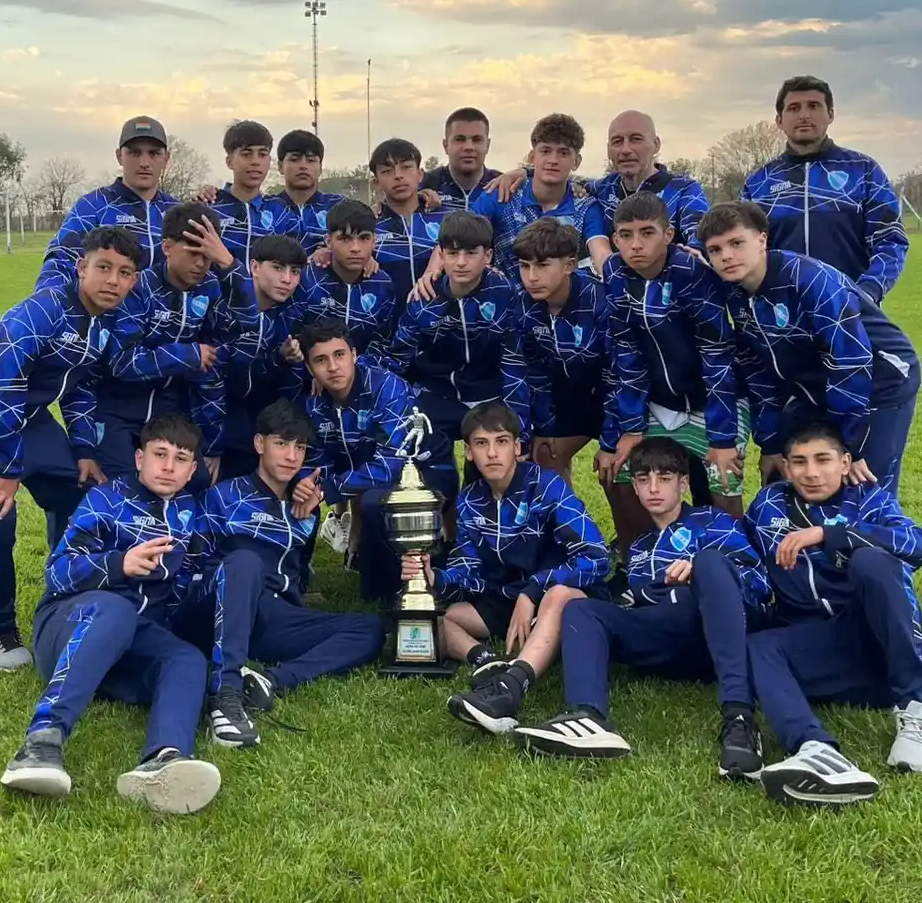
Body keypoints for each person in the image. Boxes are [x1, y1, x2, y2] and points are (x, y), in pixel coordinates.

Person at [0, 226, 142, 671]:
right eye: (103, 267)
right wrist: (9, 469)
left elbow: (79, 386)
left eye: (124, 273)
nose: (112, 280)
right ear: (81, 267)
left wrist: (84, 448)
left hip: (25, 412)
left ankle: (64, 594)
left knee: (75, 492)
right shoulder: (42, 309)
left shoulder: (106, 323)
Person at [0, 415, 220, 814]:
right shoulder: (106, 498)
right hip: (69, 626)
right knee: (116, 609)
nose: (168, 467)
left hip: (133, 640)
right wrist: (119, 564)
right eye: (160, 455)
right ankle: (40, 744)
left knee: (187, 658)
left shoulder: (192, 513)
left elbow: (193, 580)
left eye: (181, 459)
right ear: (139, 458)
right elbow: (58, 572)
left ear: (192, 470)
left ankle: (165, 759)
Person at [521, 437, 771, 779]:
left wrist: (701, 572)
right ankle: (587, 717)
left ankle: (740, 719)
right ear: (635, 487)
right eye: (643, 479)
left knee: (710, 563)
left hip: (710, 631)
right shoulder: (639, 546)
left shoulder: (713, 522)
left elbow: (758, 586)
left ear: (683, 483)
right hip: (662, 639)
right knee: (583, 610)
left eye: (665, 478)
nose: (654, 488)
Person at [744, 423, 922, 807]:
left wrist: (829, 535)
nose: (811, 473)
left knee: (873, 562)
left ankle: (916, 710)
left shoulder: (868, 498)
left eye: (823, 460)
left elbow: (915, 544)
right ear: (785, 467)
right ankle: (814, 749)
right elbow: (748, 562)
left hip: (877, 639)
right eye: (799, 462)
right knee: (759, 646)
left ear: (845, 462)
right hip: (818, 646)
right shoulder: (768, 505)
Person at [176, 401, 386, 748]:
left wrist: (304, 515)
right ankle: (225, 695)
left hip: (274, 617)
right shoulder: (223, 497)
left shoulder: (301, 507)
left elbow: (294, 571)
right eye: (282, 444)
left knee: (370, 628)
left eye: (299, 447)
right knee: (245, 561)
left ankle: (269, 680)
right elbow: (192, 565)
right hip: (222, 609)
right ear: (260, 444)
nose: (291, 456)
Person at [401, 403, 609, 736]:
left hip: (560, 596)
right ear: (468, 452)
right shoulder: (470, 501)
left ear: (518, 447)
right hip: (507, 597)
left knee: (557, 597)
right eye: (482, 444)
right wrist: (433, 578)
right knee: (439, 616)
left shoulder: (548, 486)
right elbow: (468, 569)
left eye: (501, 441)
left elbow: (596, 556)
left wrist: (534, 590)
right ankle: (486, 663)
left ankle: (511, 688)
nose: (492, 453)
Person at [698, 201, 920, 496]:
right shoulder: (734, 293)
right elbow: (758, 369)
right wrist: (771, 443)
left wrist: (850, 447)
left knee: (861, 486)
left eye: (736, 243)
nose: (726, 256)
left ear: (762, 240)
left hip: (882, 382)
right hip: (815, 385)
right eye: (715, 250)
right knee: (788, 475)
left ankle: (874, 538)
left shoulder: (810, 280)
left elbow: (850, 360)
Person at [598, 193, 748, 550]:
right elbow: (626, 351)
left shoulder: (690, 271)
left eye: (647, 232)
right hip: (659, 403)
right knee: (618, 470)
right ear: (615, 239)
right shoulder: (615, 274)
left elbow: (717, 355)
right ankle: (637, 561)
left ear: (669, 234)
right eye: (626, 235)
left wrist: (722, 438)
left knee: (723, 479)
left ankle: (736, 562)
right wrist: (632, 427)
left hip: (712, 400)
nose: (636, 244)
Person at [97, 203, 260, 492]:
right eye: (193, 253)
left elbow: (247, 321)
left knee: (195, 482)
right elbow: (122, 362)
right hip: (118, 412)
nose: (201, 264)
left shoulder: (210, 288)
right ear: (168, 247)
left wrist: (227, 261)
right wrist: (188, 354)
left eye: (207, 256)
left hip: (171, 415)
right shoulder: (139, 287)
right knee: (122, 490)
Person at [298, 319, 458, 602]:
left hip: (426, 469)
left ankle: (406, 588)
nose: (333, 367)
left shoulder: (386, 386)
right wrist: (308, 486)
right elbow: (317, 461)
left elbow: (392, 463)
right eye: (321, 360)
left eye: (339, 355)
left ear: (354, 355)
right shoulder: (312, 403)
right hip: (369, 477)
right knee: (300, 491)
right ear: (310, 368)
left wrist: (327, 489)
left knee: (375, 503)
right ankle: (301, 582)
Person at [741, 76, 909, 303]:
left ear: (830, 114)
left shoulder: (863, 171)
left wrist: (868, 291)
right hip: (783, 320)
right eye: (794, 108)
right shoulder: (759, 183)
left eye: (814, 106)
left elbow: (890, 240)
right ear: (779, 120)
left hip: (850, 313)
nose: (804, 115)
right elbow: (742, 248)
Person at [386, 212, 531, 471]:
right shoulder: (423, 299)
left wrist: (520, 427)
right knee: (433, 475)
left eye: (470, 253)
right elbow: (398, 359)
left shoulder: (505, 294)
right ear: (440, 255)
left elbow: (514, 364)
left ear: (487, 256)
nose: (461, 262)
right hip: (436, 395)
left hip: (490, 398)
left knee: (490, 474)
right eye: (452, 254)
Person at [511, 218, 612, 483]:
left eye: (543, 265)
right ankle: (564, 523)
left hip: (614, 402)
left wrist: (612, 441)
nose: (531, 277)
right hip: (567, 402)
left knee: (615, 477)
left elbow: (622, 373)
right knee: (545, 459)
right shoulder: (523, 306)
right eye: (524, 266)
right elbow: (534, 371)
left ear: (569, 266)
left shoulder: (601, 301)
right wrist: (544, 427)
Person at [36, 116, 177, 288]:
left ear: (166, 159)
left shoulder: (176, 211)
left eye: (154, 153)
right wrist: (50, 307)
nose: (144, 163)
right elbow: (60, 262)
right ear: (119, 156)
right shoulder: (93, 206)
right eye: (134, 153)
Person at [470, 113, 610, 279]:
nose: (553, 160)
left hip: (562, 302)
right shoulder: (502, 193)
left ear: (577, 161)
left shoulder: (584, 206)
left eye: (563, 153)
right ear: (532, 156)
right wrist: (432, 271)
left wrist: (615, 284)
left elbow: (602, 255)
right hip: (505, 301)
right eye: (545, 151)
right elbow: (461, 236)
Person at [216, 235, 309, 480]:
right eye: (277, 268)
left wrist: (282, 358)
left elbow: (257, 376)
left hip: (251, 423)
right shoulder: (220, 304)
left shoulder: (288, 316)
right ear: (254, 267)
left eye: (295, 271)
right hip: (207, 417)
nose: (287, 280)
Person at [584, 110, 709, 249]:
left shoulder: (683, 190)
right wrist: (577, 189)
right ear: (608, 150)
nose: (625, 149)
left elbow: (702, 236)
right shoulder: (602, 189)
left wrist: (693, 255)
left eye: (636, 139)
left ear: (656, 145)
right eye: (617, 141)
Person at [295, 200, 399, 363]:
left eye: (364, 238)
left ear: (374, 241)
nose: (355, 248)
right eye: (345, 239)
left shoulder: (383, 285)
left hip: (363, 376)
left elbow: (383, 344)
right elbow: (292, 338)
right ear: (328, 241)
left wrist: (353, 372)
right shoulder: (307, 279)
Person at [370, 138, 446, 303]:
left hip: (439, 322)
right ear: (376, 182)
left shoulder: (447, 220)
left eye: (406, 167)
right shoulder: (368, 227)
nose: (398, 176)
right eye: (387, 171)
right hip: (385, 324)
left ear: (420, 175)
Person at [208, 119, 283, 268]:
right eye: (246, 154)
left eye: (262, 154)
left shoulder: (281, 211)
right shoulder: (210, 207)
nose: (255, 162)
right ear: (229, 161)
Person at [271, 129, 343, 253]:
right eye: (295, 159)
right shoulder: (269, 208)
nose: (303, 166)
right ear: (280, 166)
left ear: (320, 168)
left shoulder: (338, 207)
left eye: (311, 160)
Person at [424, 107, 501, 211]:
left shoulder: (502, 186)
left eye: (477, 140)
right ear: (445, 145)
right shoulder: (425, 185)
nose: (468, 147)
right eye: (459, 139)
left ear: (488, 145)